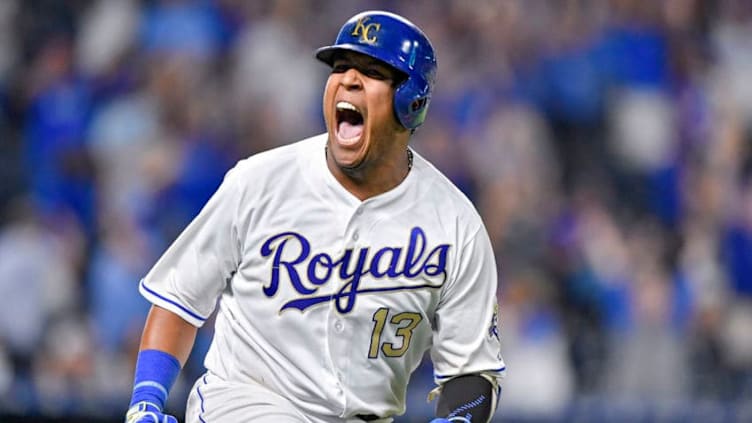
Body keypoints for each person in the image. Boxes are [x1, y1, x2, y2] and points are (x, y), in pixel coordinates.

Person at [125, 10, 506, 423]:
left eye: (372, 71)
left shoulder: (455, 223)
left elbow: (471, 371)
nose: (349, 79)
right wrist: (146, 401)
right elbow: (180, 299)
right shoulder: (259, 182)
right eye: (341, 67)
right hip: (243, 404)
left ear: (410, 102)